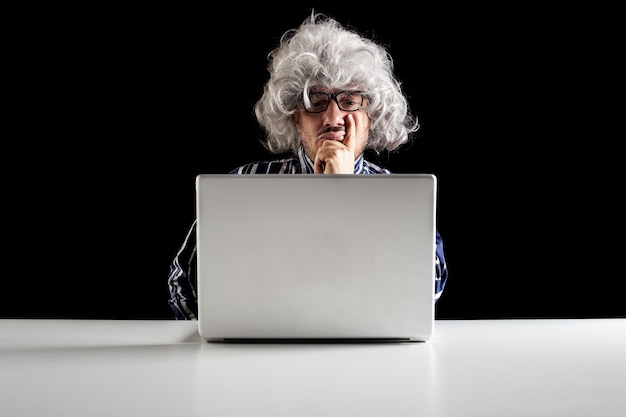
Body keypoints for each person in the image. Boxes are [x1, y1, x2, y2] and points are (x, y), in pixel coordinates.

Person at [167, 11, 448, 320]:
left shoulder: (400, 197)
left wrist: (345, 192)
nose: (332, 118)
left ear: (372, 113)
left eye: (350, 99)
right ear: (294, 116)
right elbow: (183, 284)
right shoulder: (245, 184)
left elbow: (427, 290)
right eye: (315, 100)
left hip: (367, 359)